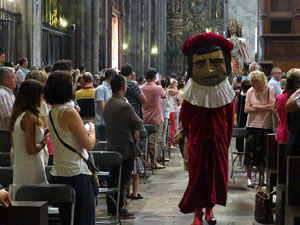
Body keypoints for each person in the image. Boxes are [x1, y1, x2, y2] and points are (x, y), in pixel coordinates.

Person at [179, 33, 235, 225]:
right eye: (200, 64)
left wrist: (225, 142)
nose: (209, 70)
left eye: (216, 62)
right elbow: (185, 118)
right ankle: (197, 213)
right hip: (198, 140)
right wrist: (191, 138)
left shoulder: (226, 90)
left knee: (215, 177)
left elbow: (229, 118)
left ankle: (210, 210)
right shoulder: (192, 91)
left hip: (218, 141)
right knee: (197, 178)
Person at [44, 70, 96, 225]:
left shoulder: (51, 112)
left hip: (59, 171)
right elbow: (88, 144)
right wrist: (91, 129)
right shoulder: (69, 113)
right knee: (83, 219)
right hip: (76, 172)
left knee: (68, 219)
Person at [104, 74, 143, 219]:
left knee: (113, 178)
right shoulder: (124, 105)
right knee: (122, 180)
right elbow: (138, 123)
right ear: (123, 87)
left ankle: (111, 206)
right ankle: (118, 208)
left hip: (112, 146)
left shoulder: (109, 103)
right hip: (125, 148)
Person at [9, 80, 49, 198]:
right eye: (41, 96)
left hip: (20, 164)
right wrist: (43, 143)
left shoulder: (17, 116)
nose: (42, 100)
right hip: (32, 165)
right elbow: (31, 149)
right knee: (35, 199)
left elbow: (13, 144)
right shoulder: (30, 118)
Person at [244, 70, 275, 188]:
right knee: (250, 154)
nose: (252, 83)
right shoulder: (250, 91)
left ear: (261, 80)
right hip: (251, 125)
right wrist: (262, 108)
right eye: (251, 81)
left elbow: (271, 107)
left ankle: (262, 177)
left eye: (255, 81)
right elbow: (246, 109)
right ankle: (249, 177)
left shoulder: (269, 90)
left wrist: (256, 107)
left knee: (263, 154)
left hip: (265, 125)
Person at [140, 68, 166, 169]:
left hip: (144, 117)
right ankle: (153, 162)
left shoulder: (141, 88)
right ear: (155, 77)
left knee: (144, 141)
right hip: (155, 118)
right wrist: (159, 83)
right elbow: (163, 96)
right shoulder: (158, 88)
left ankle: (146, 161)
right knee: (153, 142)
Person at [94, 68, 117, 140]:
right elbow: (103, 108)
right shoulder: (100, 89)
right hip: (102, 124)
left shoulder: (112, 89)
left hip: (111, 123)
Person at [0, 67, 16, 152]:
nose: (16, 80)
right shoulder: (3, 95)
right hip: (5, 135)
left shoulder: (9, 94)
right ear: (5, 80)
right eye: (14, 78)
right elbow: (9, 119)